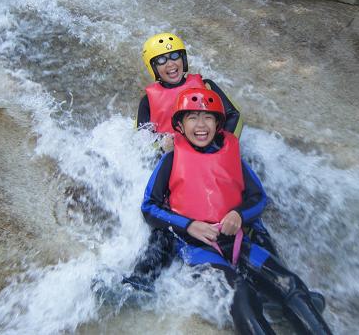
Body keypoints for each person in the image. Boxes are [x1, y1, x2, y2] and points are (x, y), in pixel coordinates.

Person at [139, 88, 333, 335]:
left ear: (219, 123)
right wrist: (189, 225)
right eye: (192, 118)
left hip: (238, 241)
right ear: (180, 125)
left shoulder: (233, 157)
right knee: (241, 294)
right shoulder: (170, 160)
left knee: (291, 285)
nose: (201, 125)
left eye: (208, 117)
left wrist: (239, 215)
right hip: (197, 248)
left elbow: (258, 197)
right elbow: (149, 207)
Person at [118, 32, 276, 293]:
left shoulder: (207, 85)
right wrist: (163, 145)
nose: (171, 64)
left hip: (217, 156)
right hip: (176, 167)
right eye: (162, 60)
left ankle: (274, 282)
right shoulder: (147, 101)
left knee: (248, 216)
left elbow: (234, 116)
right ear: (153, 68)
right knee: (166, 224)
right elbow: (142, 140)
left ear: (184, 59)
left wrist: (221, 146)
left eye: (175, 56)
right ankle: (141, 282)